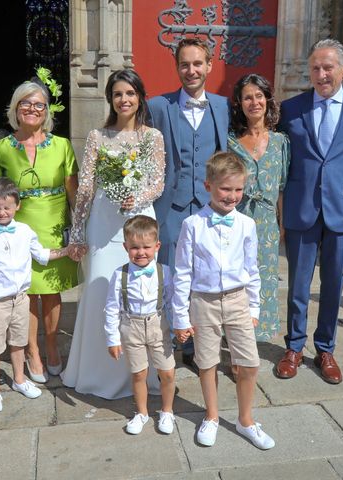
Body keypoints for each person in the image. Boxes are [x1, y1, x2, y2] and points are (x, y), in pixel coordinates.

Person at [276, 39, 343, 385]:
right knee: (298, 285)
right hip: (301, 208)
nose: (321, 75)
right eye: (315, 68)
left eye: (328, 67)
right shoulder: (291, 109)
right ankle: (293, 347)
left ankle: (325, 349)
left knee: (334, 285)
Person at [61, 69, 165, 399]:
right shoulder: (97, 137)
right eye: (118, 94)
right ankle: (96, 373)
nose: (124, 100)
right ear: (110, 99)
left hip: (139, 222)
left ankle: (139, 374)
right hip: (103, 225)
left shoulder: (152, 137)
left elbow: (158, 182)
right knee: (100, 291)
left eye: (130, 94)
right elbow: (87, 188)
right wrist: (76, 234)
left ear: (140, 97)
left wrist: (141, 196)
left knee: (139, 295)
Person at [173, 152, 275, 449]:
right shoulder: (192, 224)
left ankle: (245, 420)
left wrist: (254, 307)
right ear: (208, 186)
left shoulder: (246, 224)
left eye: (238, 189)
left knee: (250, 363)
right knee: (206, 361)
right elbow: (182, 272)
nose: (232, 196)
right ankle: (212, 416)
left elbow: (253, 268)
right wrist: (180, 316)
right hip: (203, 302)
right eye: (225, 189)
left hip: (237, 300)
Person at [147, 37, 229, 368]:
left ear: (209, 65)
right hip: (172, 207)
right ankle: (168, 340)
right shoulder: (158, 106)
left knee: (205, 278)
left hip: (210, 208)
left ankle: (198, 344)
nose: (191, 70)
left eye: (198, 63)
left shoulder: (223, 106)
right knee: (169, 279)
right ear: (177, 68)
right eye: (185, 64)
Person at [0, 80, 79, 383]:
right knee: (26, 292)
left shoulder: (62, 145)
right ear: (16, 109)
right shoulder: (1, 148)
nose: (31, 109)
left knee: (51, 293)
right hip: (18, 231)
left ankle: (52, 345)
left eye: (38, 104)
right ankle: (32, 351)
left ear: (47, 110)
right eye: (25, 103)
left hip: (54, 225)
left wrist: (77, 230)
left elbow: (73, 194)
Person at [0, 178, 76, 413]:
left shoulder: (25, 231)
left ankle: (19, 379)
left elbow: (42, 255)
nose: (2, 212)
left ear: (17, 206)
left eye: (7, 207)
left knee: (18, 342)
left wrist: (67, 250)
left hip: (20, 298)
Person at [228, 73, 290, 341]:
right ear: (240, 104)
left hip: (266, 222)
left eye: (259, 96)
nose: (254, 102)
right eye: (247, 97)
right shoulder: (231, 142)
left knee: (264, 279)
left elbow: (282, 188)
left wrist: (283, 222)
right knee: (234, 279)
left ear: (267, 99)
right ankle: (233, 334)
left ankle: (257, 336)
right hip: (235, 219)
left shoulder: (280, 142)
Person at [104, 216, 176, 435]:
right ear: (126, 247)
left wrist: (177, 328)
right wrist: (112, 339)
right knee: (138, 373)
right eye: (135, 248)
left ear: (157, 246)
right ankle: (142, 413)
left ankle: (167, 411)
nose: (141, 252)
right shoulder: (120, 275)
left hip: (158, 326)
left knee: (168, 373)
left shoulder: (165, 272)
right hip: (131, 327)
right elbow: (111, 308)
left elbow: (172, 302)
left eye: (146, 247)